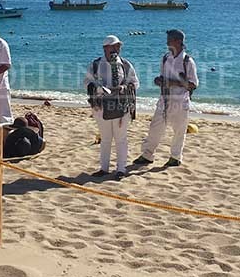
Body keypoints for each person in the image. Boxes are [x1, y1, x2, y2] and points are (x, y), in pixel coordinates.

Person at [134, 29, 198, 167]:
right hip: (164, 99)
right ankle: (147, 154)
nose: (167, 42)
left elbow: (193, 84)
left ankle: (175, 157)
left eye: (169, 39)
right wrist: (159, 81)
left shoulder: (188, 61)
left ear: (178, 41)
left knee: (179, 130)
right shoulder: (165, 58)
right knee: (155, 128)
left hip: (180, 102)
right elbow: (162, 77)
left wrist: (173, 83)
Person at [84, 35, 139, 179]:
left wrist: (123, 88)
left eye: (118, 46)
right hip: (101, 107)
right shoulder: (96, 64)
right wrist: (97, 89)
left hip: (121, 107)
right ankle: (104, 168)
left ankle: (121, 169)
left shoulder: (126, 65)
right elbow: (86, 82)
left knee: (121, 139)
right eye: (113, 46)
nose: (116, 49)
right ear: (105, 48)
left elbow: (135, 83)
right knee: (106, 138)